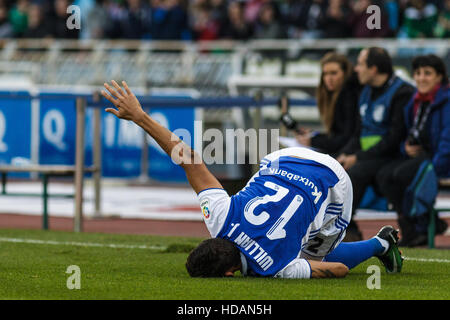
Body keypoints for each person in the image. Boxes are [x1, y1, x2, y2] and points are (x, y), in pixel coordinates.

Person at [101, 80, 404, 279]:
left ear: (230, 274)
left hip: (333, 182)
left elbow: (336, 269)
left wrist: (299, 267)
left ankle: (381, 243)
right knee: (296, 237)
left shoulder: (276, 268)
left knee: (314, 254)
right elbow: (189, 158)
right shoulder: (219, 218)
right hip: (289, 157)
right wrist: (140, 116)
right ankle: (382, 242)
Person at [337, 47, 416, 241]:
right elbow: (358, 133)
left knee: (356, 172)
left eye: (360, 64)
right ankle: (347, 228)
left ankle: (342, 229)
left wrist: (357, 158)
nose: (356, 69)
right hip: (369, 155)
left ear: (373, 69)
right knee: (336, 168)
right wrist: (344, 155)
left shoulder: (402, 92)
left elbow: (395, 137)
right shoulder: (365, 92)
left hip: (392, 155)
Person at [376, 54, 450, 247]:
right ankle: (414, 228)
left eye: (428, 73)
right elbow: (407, 135)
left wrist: (436, 167)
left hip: (439, 160)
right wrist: (405, 148)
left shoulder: (446, 101)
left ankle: (419, 226)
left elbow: (447, 140)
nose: (421, 78)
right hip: (419, 158)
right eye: (417, 73)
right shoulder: (415, 102)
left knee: (401, 174)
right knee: (384, 174)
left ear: (439, 77)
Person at [282, 52, 361, 157]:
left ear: (345, 73)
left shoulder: (350, 95)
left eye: (334, 73)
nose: (329, 78)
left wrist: (312, 141)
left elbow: (345, 138)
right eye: (325, 74)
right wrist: (313, 135)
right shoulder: (334, 95)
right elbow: (337, 136)